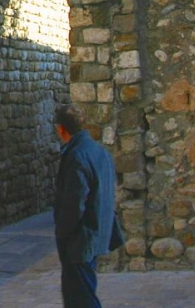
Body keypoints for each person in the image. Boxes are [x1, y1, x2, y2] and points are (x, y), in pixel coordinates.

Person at [53, 104, 122, 308]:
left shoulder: (77, 155)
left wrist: (63, 233)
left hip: (80, 238)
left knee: (81, 297)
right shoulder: (99, 151)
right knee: (80, 292)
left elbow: (74, 204)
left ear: (61, 129)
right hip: (96, 231)